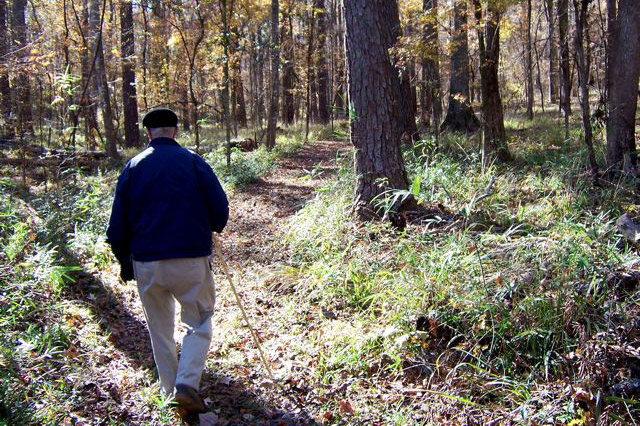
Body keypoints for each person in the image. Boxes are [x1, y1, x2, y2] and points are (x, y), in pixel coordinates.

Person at [106, 108, 229, 414]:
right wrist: (211, 225)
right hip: (190, 259)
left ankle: (169, 393)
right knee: (198, 321)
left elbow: (116, 226)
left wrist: (125, 261)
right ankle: (186, 384)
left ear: (149, 133)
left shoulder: (133, 167)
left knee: (159, 331)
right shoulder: (193, 161)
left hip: (148, 263)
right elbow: (220, 208)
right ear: (175, 131)